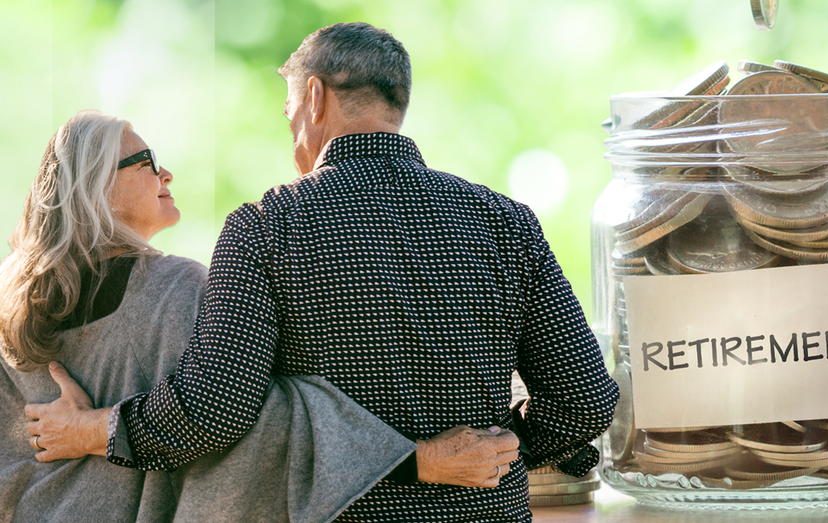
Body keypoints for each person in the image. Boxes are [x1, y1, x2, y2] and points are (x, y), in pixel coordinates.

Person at [28, 22, 619, 522]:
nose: (291, 134)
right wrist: (504, 449)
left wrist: (92, 429)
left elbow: (214, 410)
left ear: (314, 98)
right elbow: (588, 400)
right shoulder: (505, 221)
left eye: (288, 112)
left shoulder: (266, 226)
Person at [1, 110, 518, 522]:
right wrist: (420, 461)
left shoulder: (12, 304)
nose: (166, 171)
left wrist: (85, 430)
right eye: (144, 160)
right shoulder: (172, 289)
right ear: (96, 188)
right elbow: (243, 417)